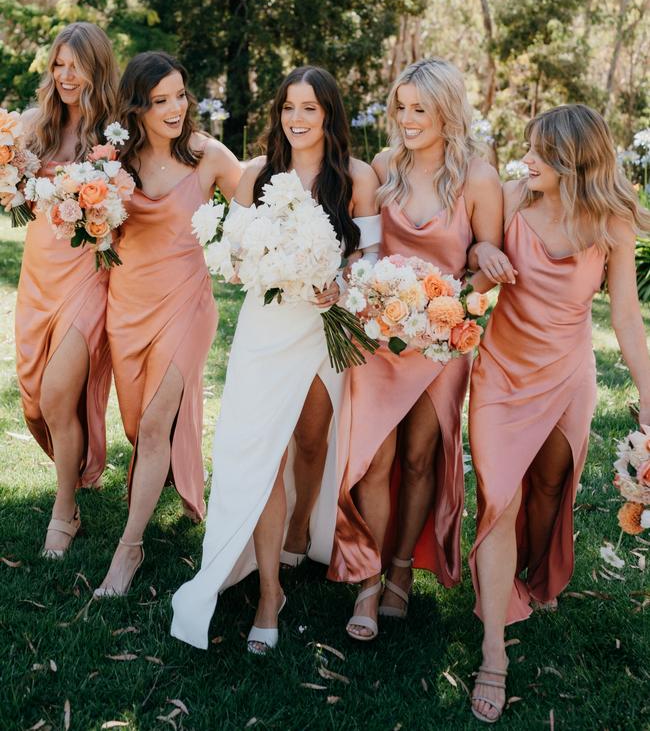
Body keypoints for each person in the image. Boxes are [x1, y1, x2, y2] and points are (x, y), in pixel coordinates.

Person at [171, 65, 381, 653]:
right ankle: (269, 592)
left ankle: (296, 535)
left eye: (310, 108)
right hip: (265, 333)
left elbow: (370, 260)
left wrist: (339, 283)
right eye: (289, 107)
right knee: (263, 454)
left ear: (329, 114)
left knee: (312, 443)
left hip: (323, 332)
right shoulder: (257, 174)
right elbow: (233, 259)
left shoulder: (357, 178)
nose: (297, 119)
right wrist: (257, 262)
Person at [467, 104, 650, 723]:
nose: (527, 158)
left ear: (574, 160)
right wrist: (484, 262)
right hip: (500, 374)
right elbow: (473, 270)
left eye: (541, 151)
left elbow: (625, 317)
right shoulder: (512, 196)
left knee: (549, 488)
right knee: (499, 498)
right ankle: (494, 649)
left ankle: (532, 574)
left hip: (568, 376)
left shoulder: (611, 224)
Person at [328, 58, 503, 642]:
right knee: (376, 458)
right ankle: (369, 581)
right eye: (400, 106)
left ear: (447, 111)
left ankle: (402, 568)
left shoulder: (478, 178)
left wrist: (462, 286)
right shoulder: (383, 166)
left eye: (418, 109)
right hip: (383, 337)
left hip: (443, 342)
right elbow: (365, 249)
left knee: (420, 459)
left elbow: (484, 257)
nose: (405, 119)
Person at [93, 51, 242, 598]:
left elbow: (264, 205)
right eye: (161, 101)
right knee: (139, 427)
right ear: (138, 107)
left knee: (153, 426)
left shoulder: (209, 156)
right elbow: (88, 228)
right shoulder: (111, 163)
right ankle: (182, 479)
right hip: (127, 308)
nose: (176, 108)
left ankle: (127, 550)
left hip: (187, 303)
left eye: (181, 95)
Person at [7, 22, 118, 558]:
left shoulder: (116, 133)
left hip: (87, 278)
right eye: (59, 64)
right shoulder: (35, 127)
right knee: (38, 403)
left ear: (97, 69)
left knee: (56, 395)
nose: (66, 75)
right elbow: (13, 193)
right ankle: (80, 466)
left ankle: (65, 511)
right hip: (38, 276)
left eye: (76, 64)